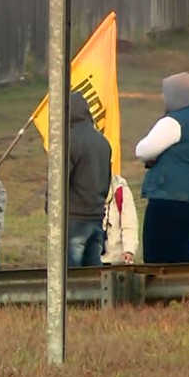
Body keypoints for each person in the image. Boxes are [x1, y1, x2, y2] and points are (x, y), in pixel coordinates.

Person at [136, 71, 189, 263]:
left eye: (165, 93)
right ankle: (182, 292)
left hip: (171, 197)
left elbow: (143, 150)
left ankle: (162, 293)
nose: (163, 97)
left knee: (157, 257)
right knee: (181, 257)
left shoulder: (173, 122)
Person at [67, 92, 112, 267]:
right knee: (93, 282)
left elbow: (58, 181)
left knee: (70, 283)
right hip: (96, 216)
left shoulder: (68, 141)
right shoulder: (103, 141)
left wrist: (52, 209)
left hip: (74, 218)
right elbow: (107, 180)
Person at [101, 174, 139, 265]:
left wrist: (129, 250)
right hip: (93, 258)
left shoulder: (121, 191)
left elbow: (129, 224)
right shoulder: (84, 189)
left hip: (116, 259)